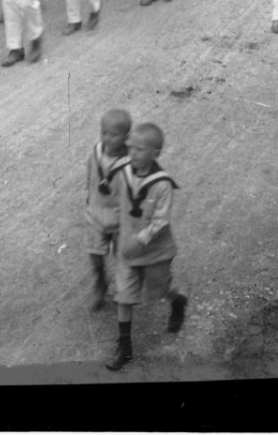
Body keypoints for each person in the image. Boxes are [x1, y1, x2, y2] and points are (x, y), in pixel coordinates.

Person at [105, 122, 187, 371]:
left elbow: (161, 220)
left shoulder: (162, 184)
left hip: (154, 251)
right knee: (124, 296)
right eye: (131, 148)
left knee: (159, 289)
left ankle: (177, 300)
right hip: (127, 250)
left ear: (155, 154)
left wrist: (140, 239)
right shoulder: (123, 173)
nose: (133, 154)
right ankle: (125, 347)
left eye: (140, 150)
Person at [85, 108, 132, 311]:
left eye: (113, 135)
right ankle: (100, 283)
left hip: (120, 221)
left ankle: (125, 289)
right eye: (103, 132)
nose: (107, 138)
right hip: (96, 216)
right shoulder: (95, 153)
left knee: (123, 258)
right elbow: (90, 177)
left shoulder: (132, 164)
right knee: (95, 256)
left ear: (126, 137)